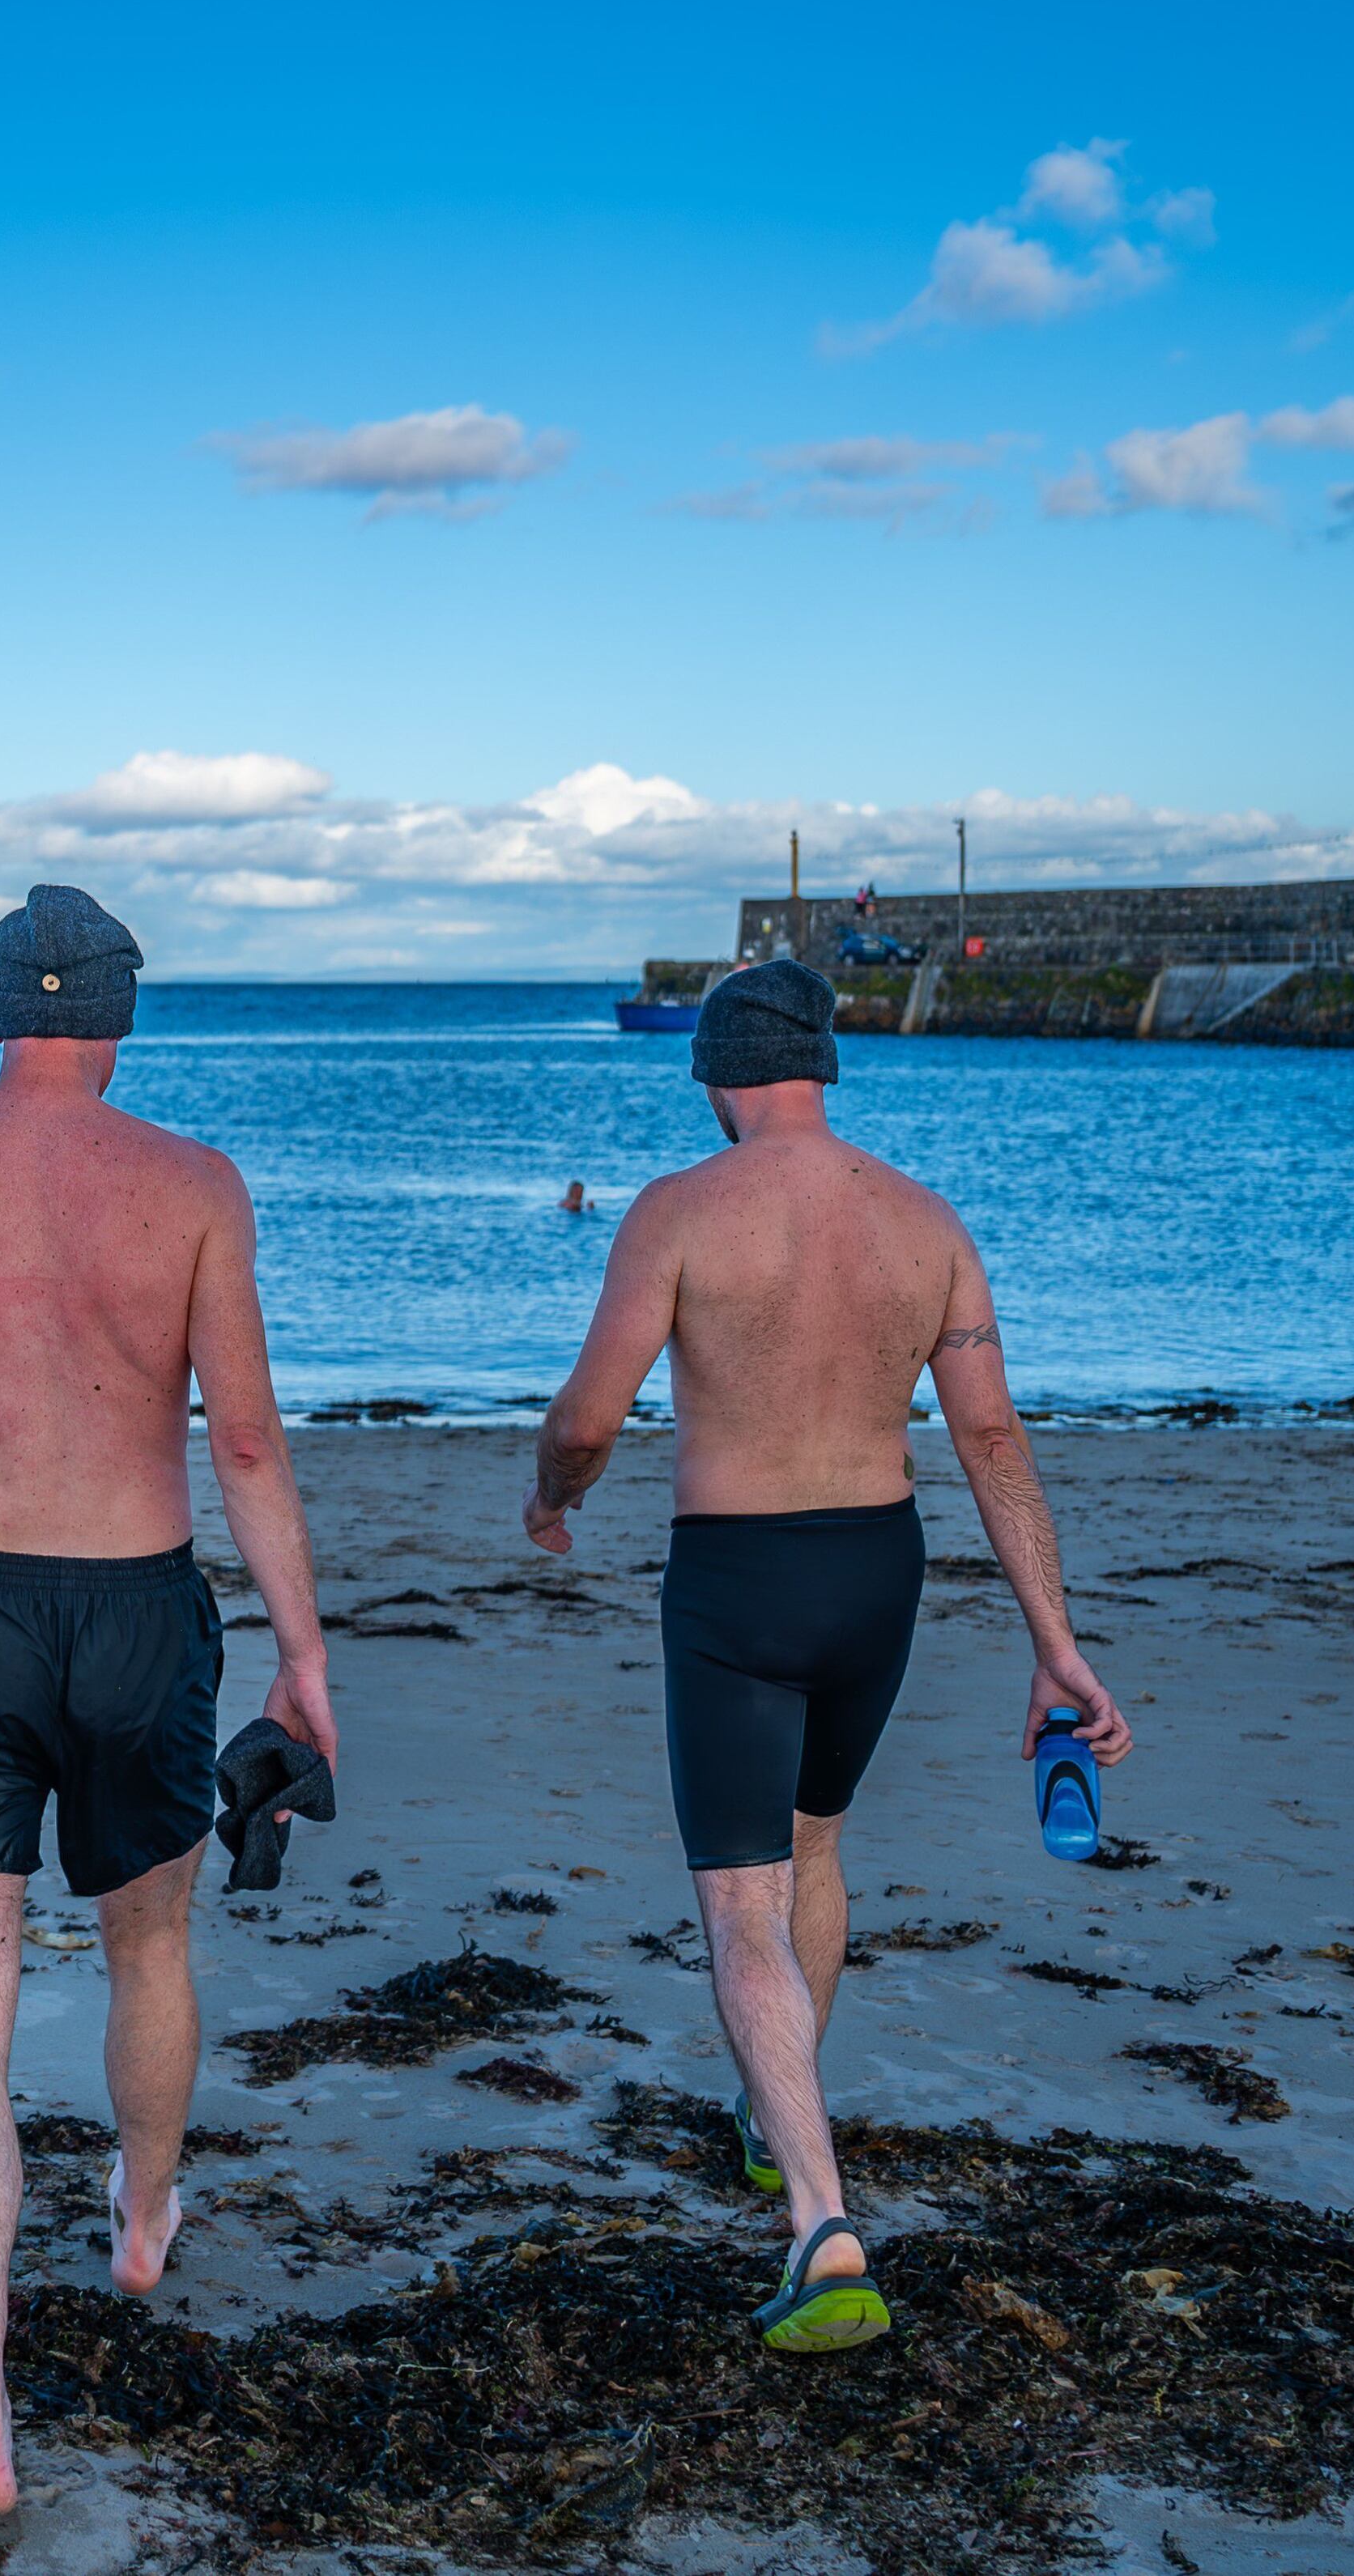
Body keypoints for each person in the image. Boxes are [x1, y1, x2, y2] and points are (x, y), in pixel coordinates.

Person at [522, 960, 1131, 2353]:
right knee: (816, 1844)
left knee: (740, 1906)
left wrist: (553, 1493)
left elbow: (591, 1411)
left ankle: (821, 2224)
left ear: (718, 1077)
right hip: (879, 1572)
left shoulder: (680, 1212)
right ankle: (766, 2105)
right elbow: (991, 1440)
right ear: (825, 1066)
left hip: (740, 1583)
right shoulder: (926, 1224)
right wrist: (1056, 1643)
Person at [0, 886, 332, 2517]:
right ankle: (142, 2211)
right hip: (136, 1604)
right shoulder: (191, 1185)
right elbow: (243, 1442)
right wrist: (301, 1648)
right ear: (119, 1015)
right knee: (149, 1938)